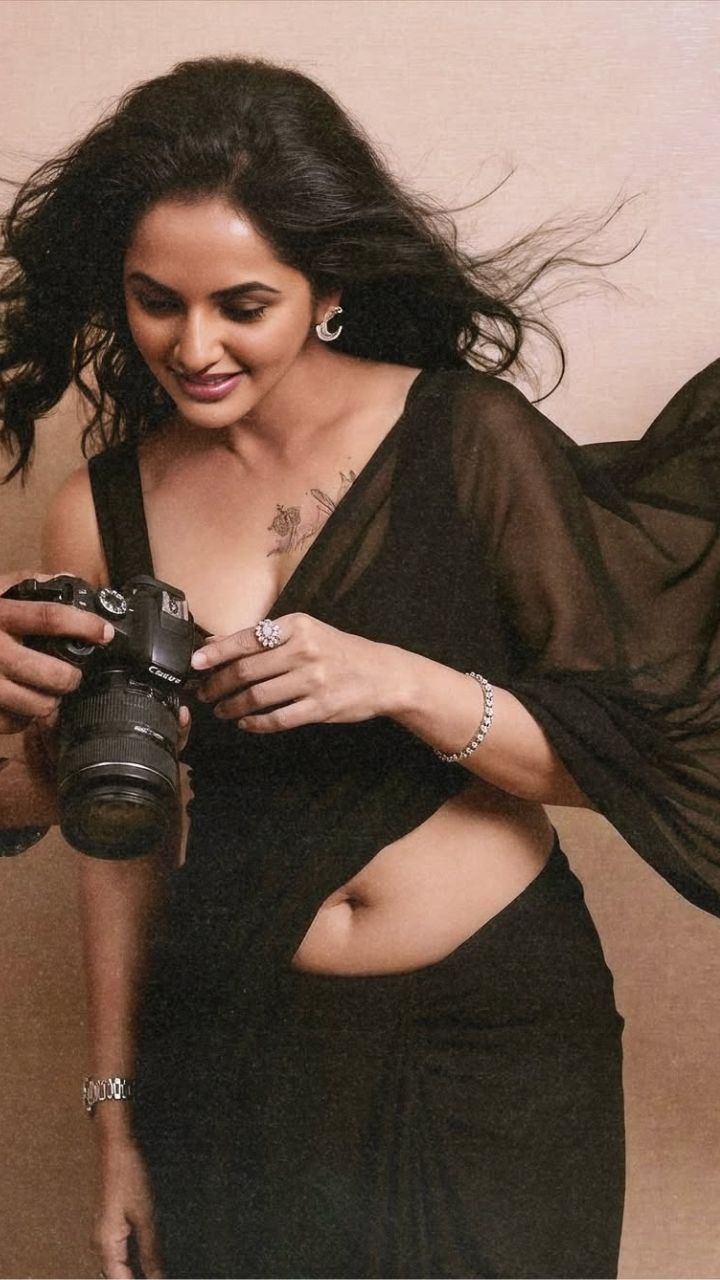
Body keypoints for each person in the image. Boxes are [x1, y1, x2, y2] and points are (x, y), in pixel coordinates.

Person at [1, 55, 719, 1280]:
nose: (193, 343)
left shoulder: (465, 435)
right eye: (156, 301)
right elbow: (114, 841)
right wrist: (115, 1119)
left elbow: (624, 760)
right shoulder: (98, 508)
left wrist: (403, 682)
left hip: (492, 1037)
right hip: (230, 1042)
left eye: (242, 303)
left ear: (326, 288)